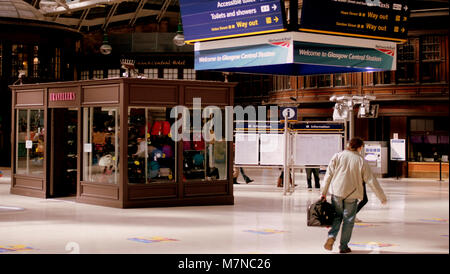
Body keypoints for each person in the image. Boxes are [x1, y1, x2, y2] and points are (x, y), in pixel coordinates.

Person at [321, 137, 387, 254]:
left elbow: (328, 175)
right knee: (348, 220)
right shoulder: (361, 161)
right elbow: (371, 180)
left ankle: (331, 236)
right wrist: (381, 197)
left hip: (336, 192)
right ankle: (343, 246)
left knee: (337, 216)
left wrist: (323, 192)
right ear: (360, 147)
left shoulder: (338, 156)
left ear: (348, 145)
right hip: (352, 194)